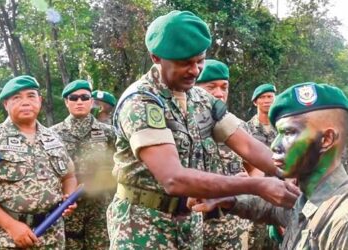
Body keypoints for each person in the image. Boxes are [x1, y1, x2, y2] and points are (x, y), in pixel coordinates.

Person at [108, 10, 299, 249]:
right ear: (155, 57)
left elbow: (247, 145)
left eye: (200, 60)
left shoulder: (201, 99)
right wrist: (257, 185)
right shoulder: (140, 102)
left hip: (189, 225)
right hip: (142, 228)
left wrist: (294, 169)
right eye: (184, 63)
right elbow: (173, 179)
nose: (195, 70)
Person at [189, 82, 348, 250]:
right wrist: (230, 200)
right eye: (278, 133)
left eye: (289, 133)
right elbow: (276, 211)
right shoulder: (309, 198)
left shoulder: (342, 220)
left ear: (326, 140)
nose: (274, 145)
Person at [0, 75, 77, 249]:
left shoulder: (54, 138)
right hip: (7, 238)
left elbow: (69, 176)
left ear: (40, 100)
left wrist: (68, 197)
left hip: (53, 235)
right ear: (6, 104)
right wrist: (11, 226)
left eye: (31, 96)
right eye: (17, 97)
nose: (25, 102)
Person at [51, 80, 116, 249]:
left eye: (84, 97)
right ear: (66, 102)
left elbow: (119, 164)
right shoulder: (52, 135)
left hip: (100, 206)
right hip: (67, 207)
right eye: (73, 98)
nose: (79, 101)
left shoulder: (108, 132)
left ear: (92, 102)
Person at [196, 59, 251, 249]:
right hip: (192, 226)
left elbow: (255, 165)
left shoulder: (238, 127)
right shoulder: (179, 127)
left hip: (232, 227)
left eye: (224, 87)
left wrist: (249, 184)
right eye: (211, 87)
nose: (219, 93)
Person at [246, 83, 279, 249]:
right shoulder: (245, 130)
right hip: (256, 196)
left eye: (270, 97)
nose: (267, 100)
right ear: (255, 102)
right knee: (254, 242)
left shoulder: (283, 129)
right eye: (263, 97)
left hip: (280, 193)